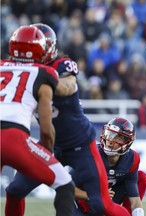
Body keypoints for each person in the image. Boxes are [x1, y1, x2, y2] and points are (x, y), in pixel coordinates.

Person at [5, 23, 130, 216]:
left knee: (102, 205)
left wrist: (44, 81)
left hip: (80, 144)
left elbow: (69, 85)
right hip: (51, 144)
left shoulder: (59, 65)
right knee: (14, 190)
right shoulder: (26, 70)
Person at [0, 25, 75, 216]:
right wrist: (46, 151)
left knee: (15, 191)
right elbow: (46, 127)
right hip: (13, 138)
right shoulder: (44, 72)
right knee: (65, 184)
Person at [73, 117, 146, 216]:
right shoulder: (90, 156)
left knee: (142, 177)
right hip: (85, 203)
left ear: (127, 142)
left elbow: (134, 200)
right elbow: (67, 189)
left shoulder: (131, 159)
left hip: (110, 201)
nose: (110, 140)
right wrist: (97, 195)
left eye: (117, 137)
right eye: (109, 134)